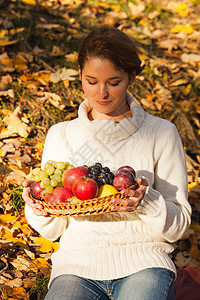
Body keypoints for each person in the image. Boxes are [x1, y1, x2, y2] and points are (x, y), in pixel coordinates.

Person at [23, 25, 191, 300]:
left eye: (113, 82)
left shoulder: (161, 132)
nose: (101, 93)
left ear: (131, 77)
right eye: (91, 81)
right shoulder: (61, 135)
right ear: (79, 75)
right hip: (76, 266)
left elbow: (180, 227)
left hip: (145, 263)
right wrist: (39, 209)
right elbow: (54, 231)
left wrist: (146, 201)